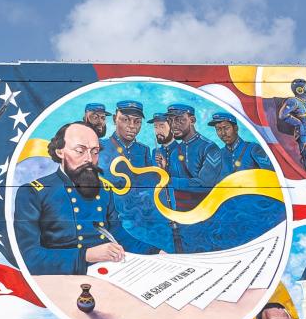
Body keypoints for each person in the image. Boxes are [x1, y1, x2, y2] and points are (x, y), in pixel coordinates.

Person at [14, 122, 158, 275]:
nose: (89, 159)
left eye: (95, 152)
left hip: (108, 273)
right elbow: (29, 257)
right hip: (62, 279)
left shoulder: (103, 190)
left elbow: (120, 236)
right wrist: (86, 255)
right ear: (60, 152)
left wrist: (156, 253)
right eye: (80, 151)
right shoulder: (34, 193)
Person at [162, 103, 226, 251]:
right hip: (178, 222)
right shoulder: (173, 152)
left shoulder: (209, 148)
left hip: (205, 220)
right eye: (171, 121)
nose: (174, 125)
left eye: (179, 120)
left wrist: (168, 181)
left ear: (192, 119)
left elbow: (205, 184)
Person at [99, 100, 151, 179]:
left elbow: (151, 179)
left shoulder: (144, 150)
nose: (132, 126)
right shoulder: (101, 146)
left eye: (137, 121)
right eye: (125, 120)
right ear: (114, 119)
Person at [208, 112, 272, 175]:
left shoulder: (253, 149)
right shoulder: (219, 155)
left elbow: (271, 174)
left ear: (236, 128)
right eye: (218, 129)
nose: (223, 133)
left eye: (226, 128)